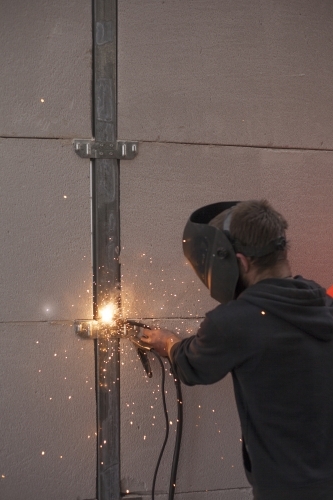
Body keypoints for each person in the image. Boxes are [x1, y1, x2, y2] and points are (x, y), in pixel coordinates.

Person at [141, 199, 333, 500]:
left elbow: (193, 365)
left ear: (241, 262)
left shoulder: (234, 323)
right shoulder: (323, 302)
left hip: (287, 489)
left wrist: (167, 343)